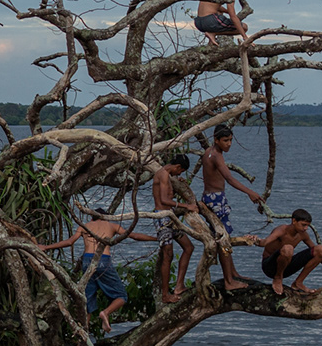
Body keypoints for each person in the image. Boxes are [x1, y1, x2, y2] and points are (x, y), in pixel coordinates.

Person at [41, 217, 156, 333]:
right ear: (105, 218)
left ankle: (83, 334)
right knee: (121, 296)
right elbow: (134, 235)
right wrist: (156, 238)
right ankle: (105, 312)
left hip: (87, 260)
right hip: (103, 259)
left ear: (92, 218)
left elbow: (69, 242)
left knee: (86, 300)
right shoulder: (111, 225)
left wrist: (46, 247)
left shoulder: (85, 226)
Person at [198, 126, 260, 291]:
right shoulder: (215, 156)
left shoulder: (209, 152)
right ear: (216, 140)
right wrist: (249, 192)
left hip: (211, 197)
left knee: (224, 236)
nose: (229, 144)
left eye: (231, 140)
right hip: (215, 199)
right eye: (226, 140)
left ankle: (232, 273)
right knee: (223, 239)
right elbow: (230, 179)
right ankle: (228, 281)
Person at [261, 208, 322, 294]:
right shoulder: (281, 230)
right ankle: (278, 278)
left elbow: (319, 254)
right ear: (294, 221)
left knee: (321, 249)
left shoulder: (303, 235)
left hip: (286, 267)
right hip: (269, 267)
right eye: (303, 225)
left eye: (307, 225)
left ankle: (298, 283)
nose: (306, 228)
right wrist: (256, 241)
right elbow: (264, 242)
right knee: (288, 248)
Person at [150, 154, 197, 303]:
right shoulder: (163, 174)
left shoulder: (169, 176)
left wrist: (180, 184)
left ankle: (179, 286)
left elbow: (168, 195)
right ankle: (165, 295)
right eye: (181, 171)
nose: (180, 173)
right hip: (162, 217)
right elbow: (164, 200)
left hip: (170, 217)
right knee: (168, 254)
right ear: (177, 167)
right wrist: (187, 206)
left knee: (188, 247)